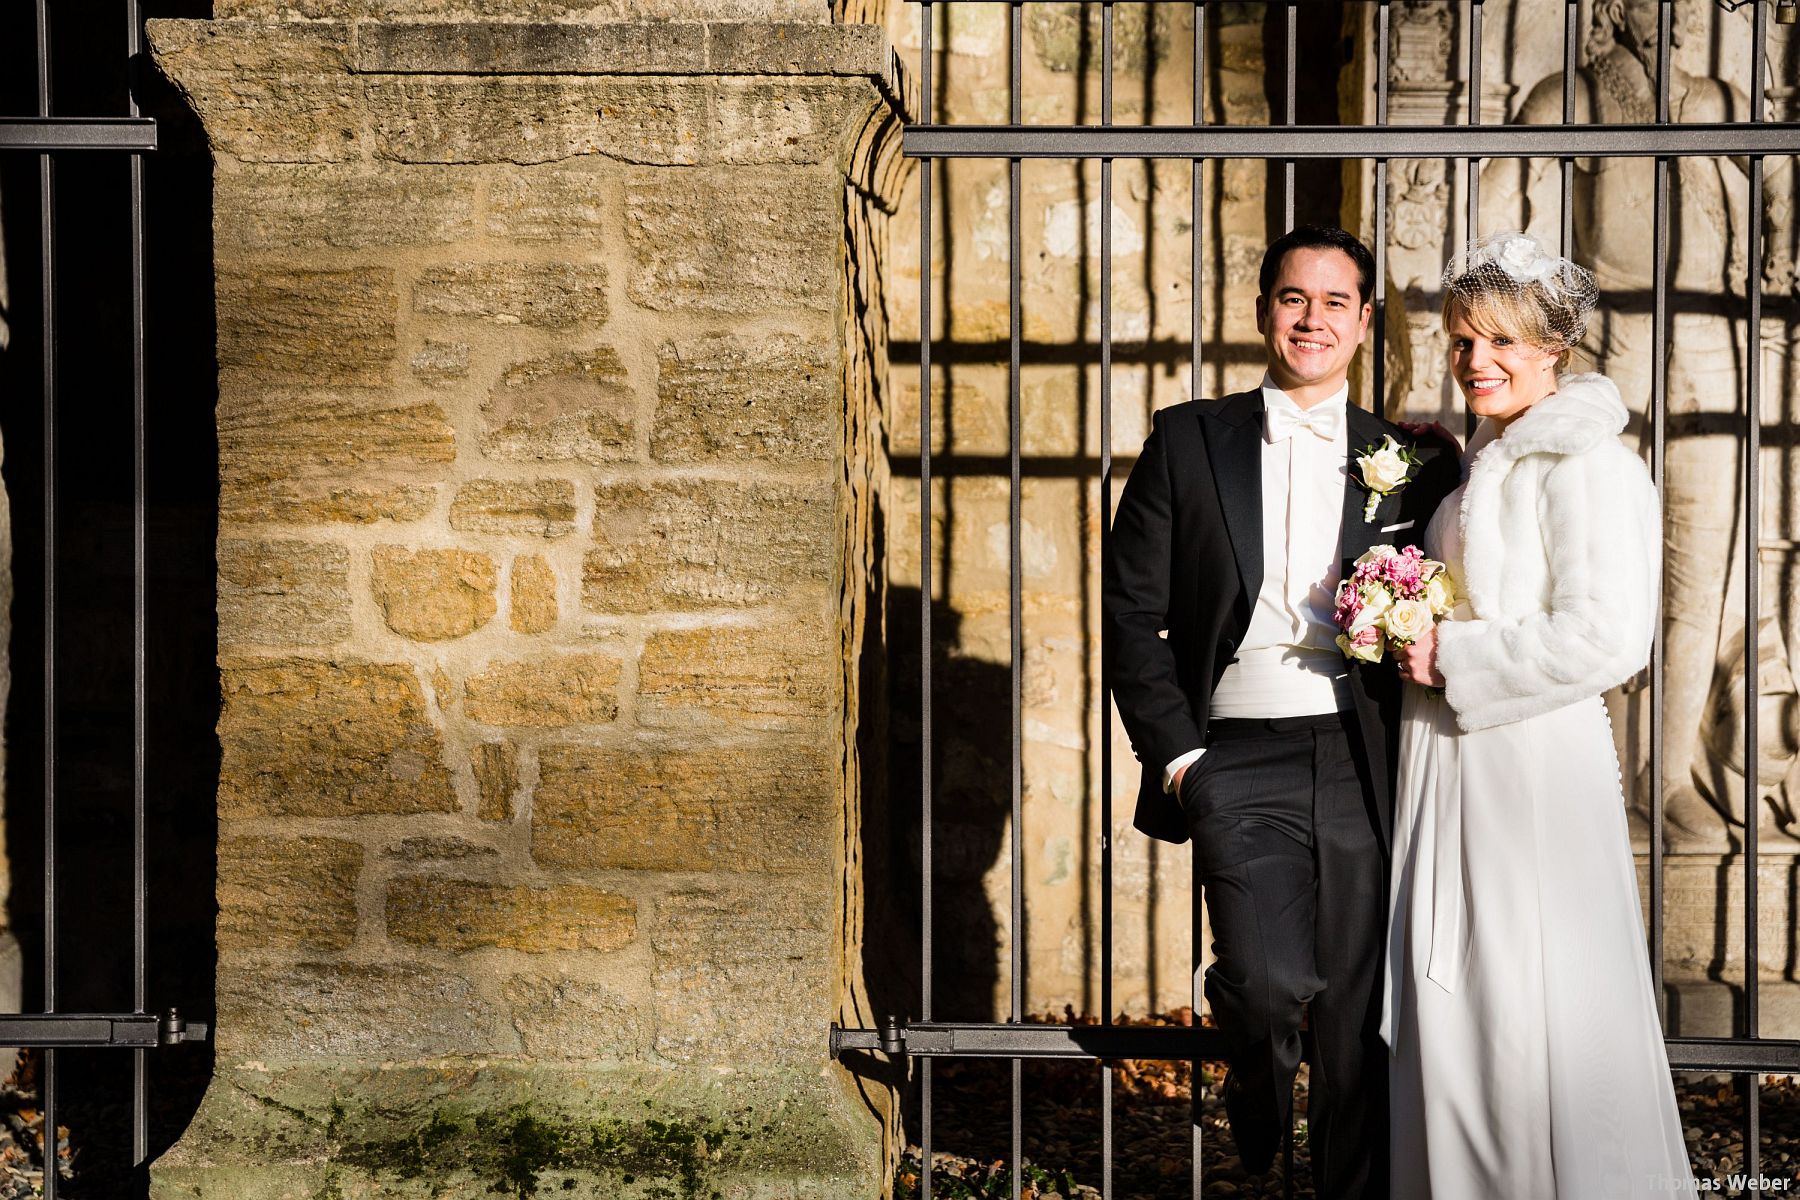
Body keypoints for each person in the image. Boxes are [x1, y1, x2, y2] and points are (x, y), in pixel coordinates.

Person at [1104, 224, 1458, 1199]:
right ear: (1266, 312)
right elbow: (1131, 611)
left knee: (1353, 1021)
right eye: (1294, 299)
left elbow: (1452, 593)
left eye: (1335, 301)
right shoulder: (1188, 439)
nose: (1313, 319)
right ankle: (1251, 1074)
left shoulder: (1408, 459)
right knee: (1263, 987)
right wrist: (1181, 761)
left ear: (1364, 321)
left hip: (1361, 756)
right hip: (1234, 752)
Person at [1383, 231, 1697, 1197]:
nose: (1478, 362)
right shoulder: (1489, 457)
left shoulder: (1589, 465)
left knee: (1526, 1002)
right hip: (1448, 762)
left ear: (1554, 349)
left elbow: (1608, 637)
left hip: (1529, 769)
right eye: (1464, 341)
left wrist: (1452, 653)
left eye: (1503, 344)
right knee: (1459, 1002)